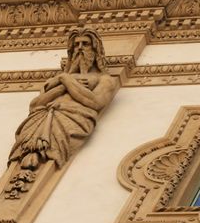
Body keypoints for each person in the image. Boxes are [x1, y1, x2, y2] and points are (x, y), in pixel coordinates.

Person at [9, 29, 118, 170]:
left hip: (72, 119)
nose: (79, 48)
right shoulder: (56, 80)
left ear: (95, 49)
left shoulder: (104, 79)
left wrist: (66, 80)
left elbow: (96, 102)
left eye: (85, 44)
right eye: (76, 45)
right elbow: (35, 104)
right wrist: (65, 83)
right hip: (42, 118)